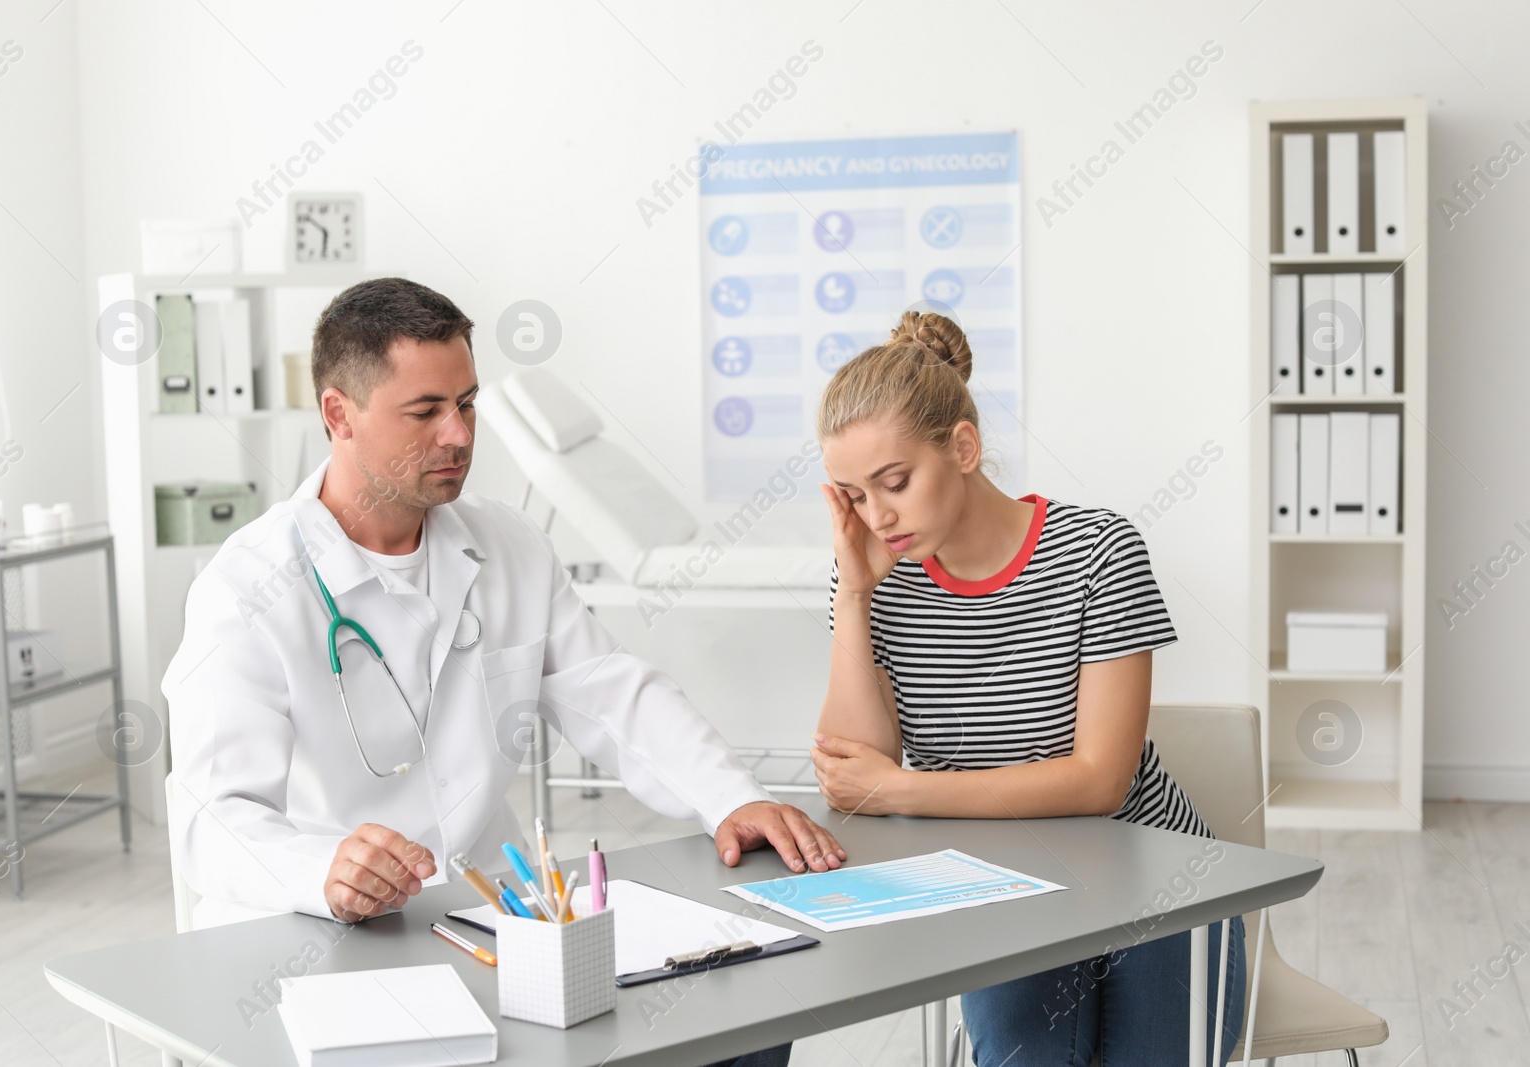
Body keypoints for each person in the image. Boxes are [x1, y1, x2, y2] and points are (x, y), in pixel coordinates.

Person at [164, 278, 842, 1067]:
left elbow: (612, 692)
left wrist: (734, 796)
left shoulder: (506, 544)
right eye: (425, 412)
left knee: (743, 1023)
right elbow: (211, 818)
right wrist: (324, 870)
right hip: (317, 934)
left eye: (469, 403)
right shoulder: (247, 587)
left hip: (489, 912)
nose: (458, 434)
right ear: (337, 415)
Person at [807, 309, 1244, 1066]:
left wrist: (906, 789)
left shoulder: (1099, 551)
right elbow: (854, 778)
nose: (878, 516)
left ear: (965, 448)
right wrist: (853, 597)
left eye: (895, 483)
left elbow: (1101, 780)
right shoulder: (878, 578)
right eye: (854, 496)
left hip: (1158, 879)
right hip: (996, 891)